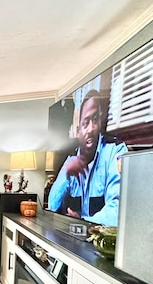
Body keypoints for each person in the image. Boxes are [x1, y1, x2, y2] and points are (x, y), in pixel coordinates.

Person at [47, 89, 127, 226]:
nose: (90, 129)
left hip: (104, 240)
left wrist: (84, 222)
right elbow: (52, 205)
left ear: (101, 123)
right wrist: (65, 173)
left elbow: (118, 211)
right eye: (85, 123)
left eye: (95, 120)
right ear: (79, 130)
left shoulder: (115, 150)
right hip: (74, 237)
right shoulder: (72, 158)